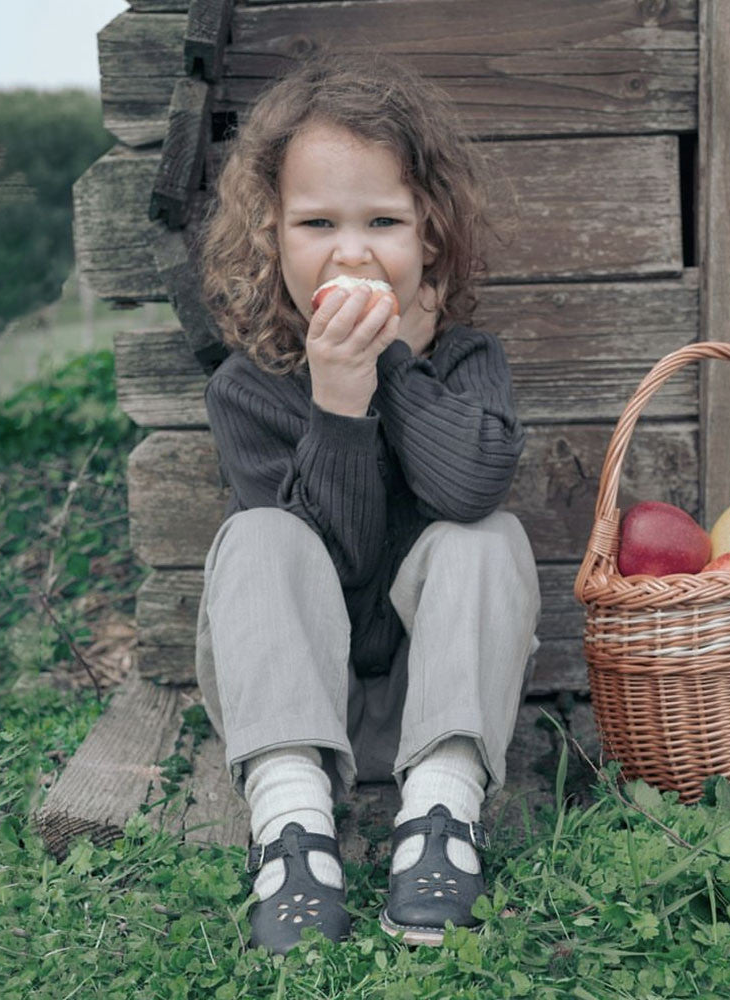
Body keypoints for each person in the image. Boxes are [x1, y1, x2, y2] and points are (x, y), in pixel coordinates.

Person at [194, 51, 541, 955]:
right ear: (272, 237)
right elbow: (326, 563)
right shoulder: (247, 388)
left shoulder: (465, 365)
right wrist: (334, 403)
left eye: (382, 220)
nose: (352, 250)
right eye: (318, 223)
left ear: (430, 236)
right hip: (301, 713)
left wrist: (391, 366)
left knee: (486, 536)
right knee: (259, 536)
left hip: (436, 709)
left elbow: (466, 488)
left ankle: (442, 815)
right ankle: (293, 829)